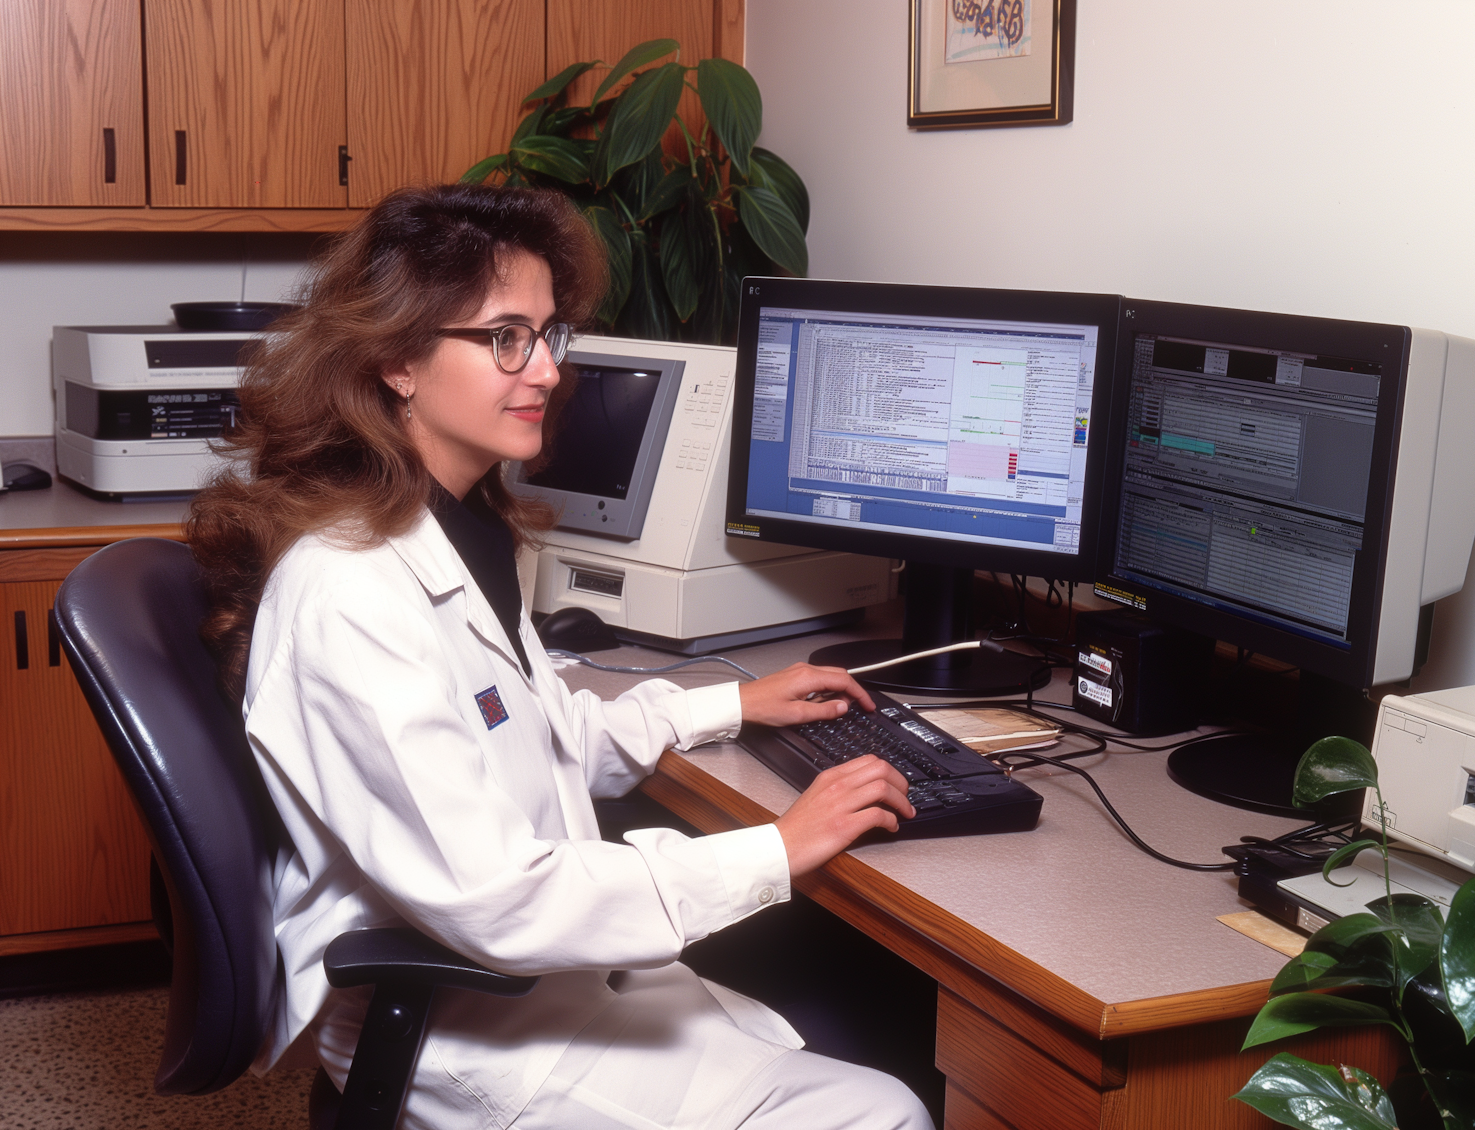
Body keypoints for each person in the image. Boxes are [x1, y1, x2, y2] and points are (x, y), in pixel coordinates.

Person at [187, 182, 934, 1130]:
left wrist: (726, 707)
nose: (543, 370)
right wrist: (775, 848)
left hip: (544, 984)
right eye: (505, 338)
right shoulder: (351, 592)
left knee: (844, 1020)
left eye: (550, 335)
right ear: (396, 360)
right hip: (470, 1032)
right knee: (888, 1111)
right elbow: (498, 895)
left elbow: (535, 742)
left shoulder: (457, 528)